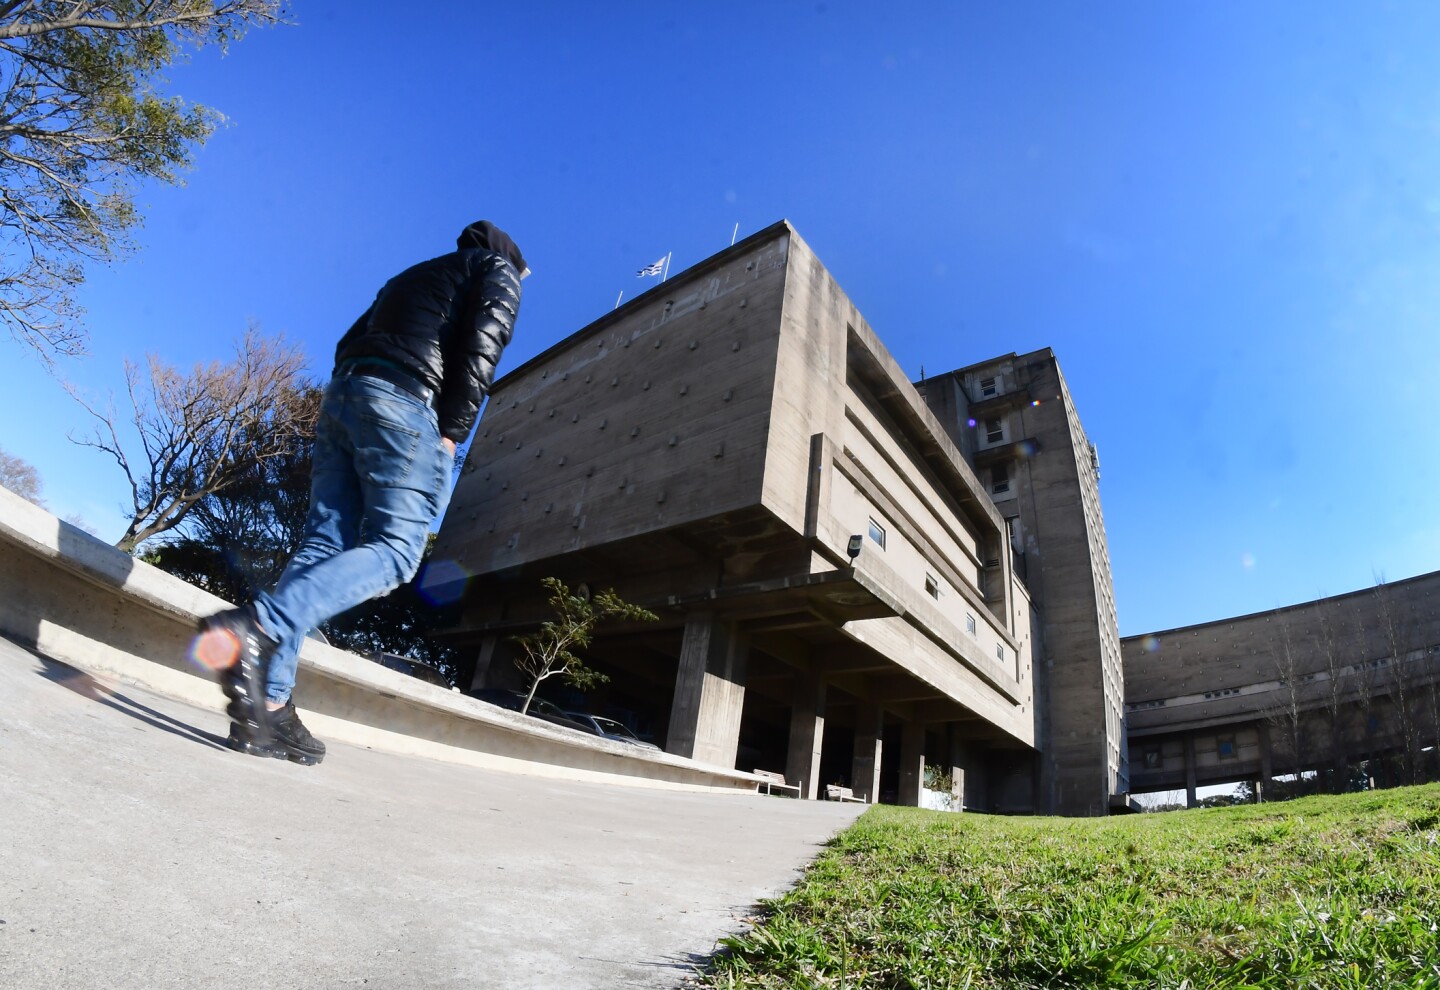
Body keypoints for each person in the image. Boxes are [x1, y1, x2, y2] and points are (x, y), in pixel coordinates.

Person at [192, 220, 527, 765]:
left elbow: (349, 339)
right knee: (397, 553)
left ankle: (269, 707)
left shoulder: (410, 276)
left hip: (345, 394)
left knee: (322, 546)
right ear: (511, 257)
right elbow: (483, 345)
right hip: (406, 401)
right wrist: (450, 432)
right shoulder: (500, 271)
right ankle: (252, 627)